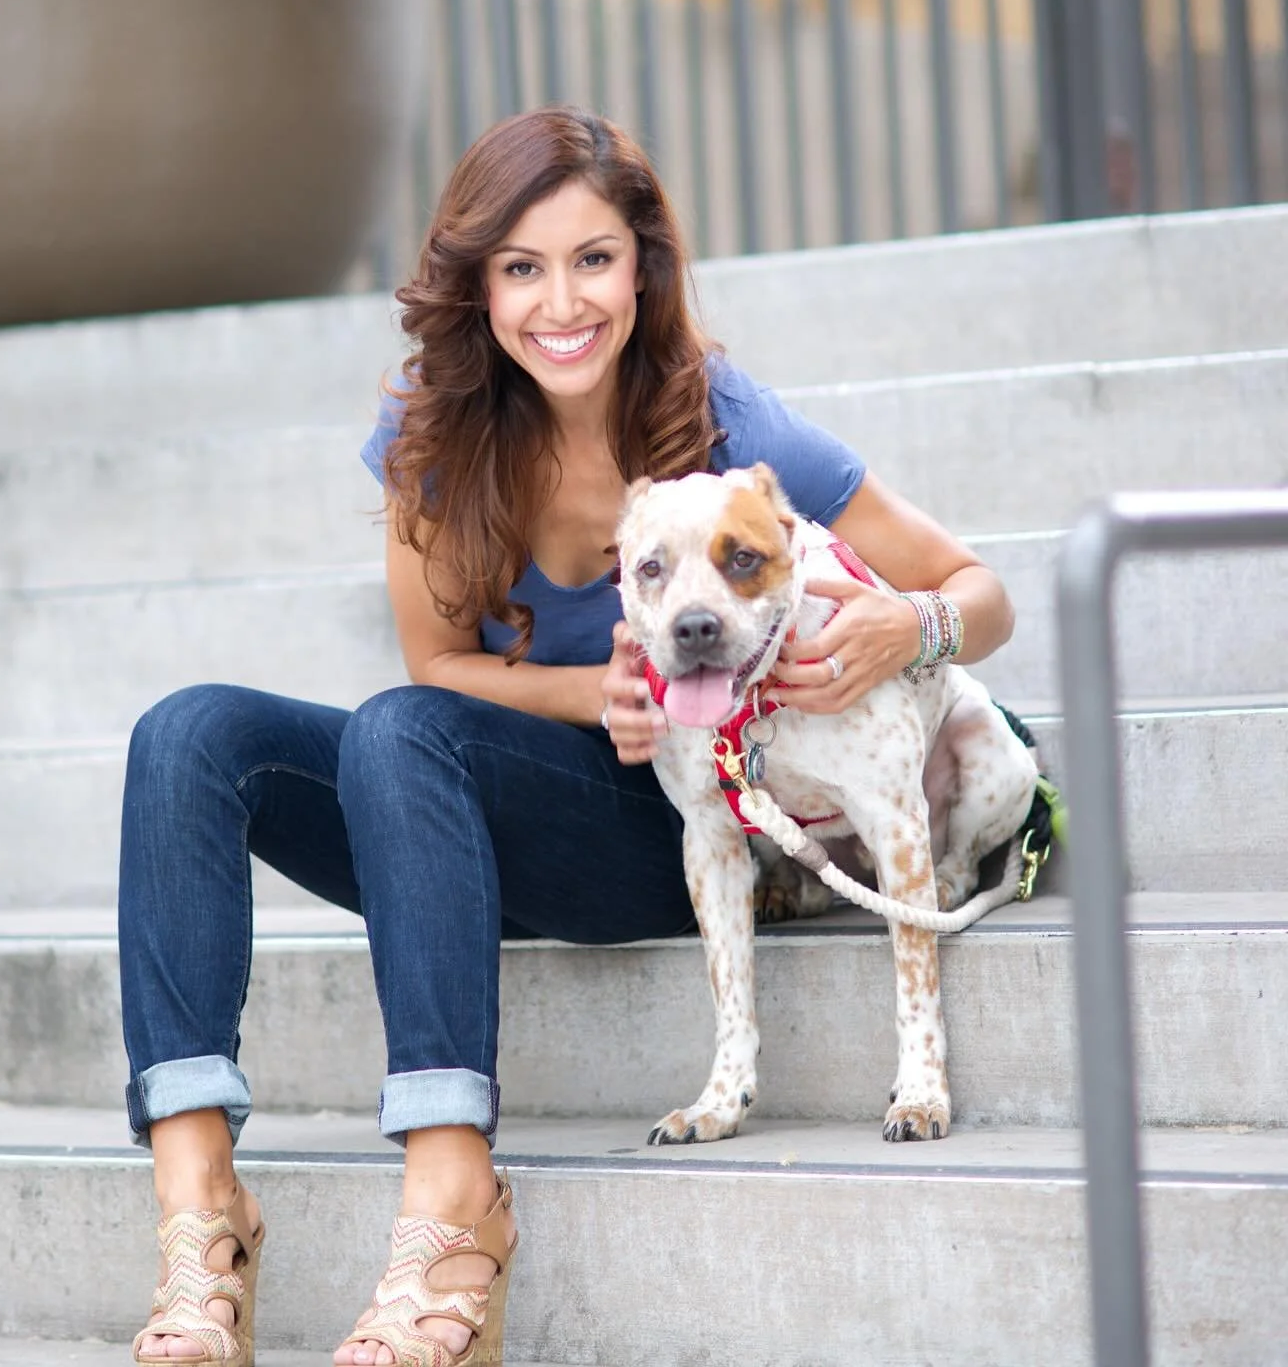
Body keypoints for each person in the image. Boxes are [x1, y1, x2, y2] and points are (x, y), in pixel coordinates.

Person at [118, 105, 1018, 1366]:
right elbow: (440, 663)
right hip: (489, 798)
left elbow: (982, 591)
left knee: (400, 734)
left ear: (641, 267)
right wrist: (599, 691)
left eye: (593, 259)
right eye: (521, 268)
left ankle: (454, 1211)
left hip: (673, 824)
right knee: (188, 737)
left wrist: (909, 627)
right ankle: (201, 1216)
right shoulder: (434, 430)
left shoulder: (728, 425)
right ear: (479, 285)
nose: (561, 303)